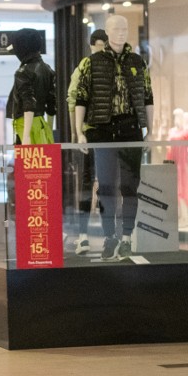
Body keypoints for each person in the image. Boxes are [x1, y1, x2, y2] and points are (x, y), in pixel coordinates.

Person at [76, 14, 154, 260]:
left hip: (131, 129)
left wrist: (150, 130)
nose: (121, 32)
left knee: (131, 186)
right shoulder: (92, 62)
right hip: (102, 130)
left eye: (125, 28)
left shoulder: (137, 61)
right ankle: (110, 236)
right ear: (107, 32)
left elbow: (148, 97)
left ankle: (127, 237)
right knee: (107, 187)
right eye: (116, 28)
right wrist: (79, 132)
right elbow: (81, 97)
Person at [67, 29, 108, 255]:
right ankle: (83, 236)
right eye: (97, 48)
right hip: (90, 133)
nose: (99, 53)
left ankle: (106, 236)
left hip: (106, 134)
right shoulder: (84, 66)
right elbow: (73, 99)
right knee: (87, 183)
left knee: (105, 184)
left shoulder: (110, 66)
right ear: (92, 45)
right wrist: (77, 133)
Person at [7, 28, 56, 145]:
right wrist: (48, 129)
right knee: (44, 161)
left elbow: (28, 103)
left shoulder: (23, 72)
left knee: (28, 162)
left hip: (25, 125)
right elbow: (52, 104)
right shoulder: (48, 69)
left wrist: (26, 136)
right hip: (41, 125)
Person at [168, 109, 188, 225]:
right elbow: (169, 146)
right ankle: (183, 216)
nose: (177, 119)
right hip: (174, 161)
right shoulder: (173, 131)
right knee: (176, 190)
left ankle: (186, 217)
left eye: (178, 117)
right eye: (175, 117)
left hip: (183, 163)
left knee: (182, 189)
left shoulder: (187, 130)